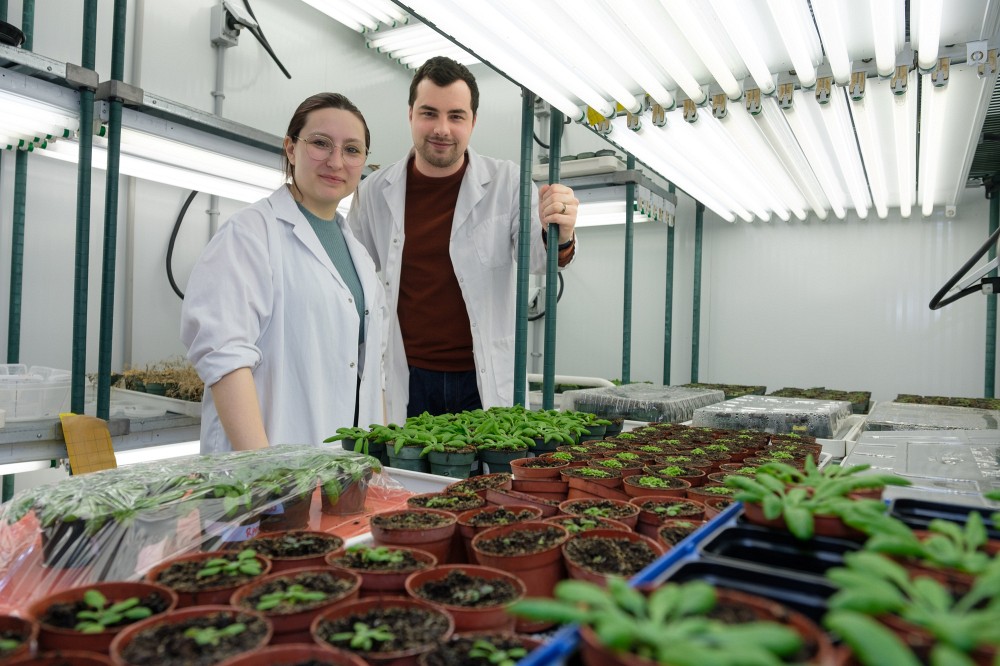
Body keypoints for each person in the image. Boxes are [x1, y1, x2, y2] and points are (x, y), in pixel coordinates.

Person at [349, 56, 579, 423]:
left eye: (456, 116)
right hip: (408, 376)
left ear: (473, 122)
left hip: (482, 377)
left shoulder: (508, 183)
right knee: (408, 460)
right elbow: (353, 281)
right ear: (410, 115)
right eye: (429, 113)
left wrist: (561, 233)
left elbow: (540, 259)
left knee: (489, 462)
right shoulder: (374, 191)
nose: (442, 128)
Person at [181, 93, 386, 453]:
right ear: (291, 149)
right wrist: (264, 469)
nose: (336, 161)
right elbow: (225, 358)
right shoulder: (249, 234)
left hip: (345, 467)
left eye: (352, 150)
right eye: (320, 143)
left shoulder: (360, 257)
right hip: (266, 471)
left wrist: (379, 461)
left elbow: (371, 373)